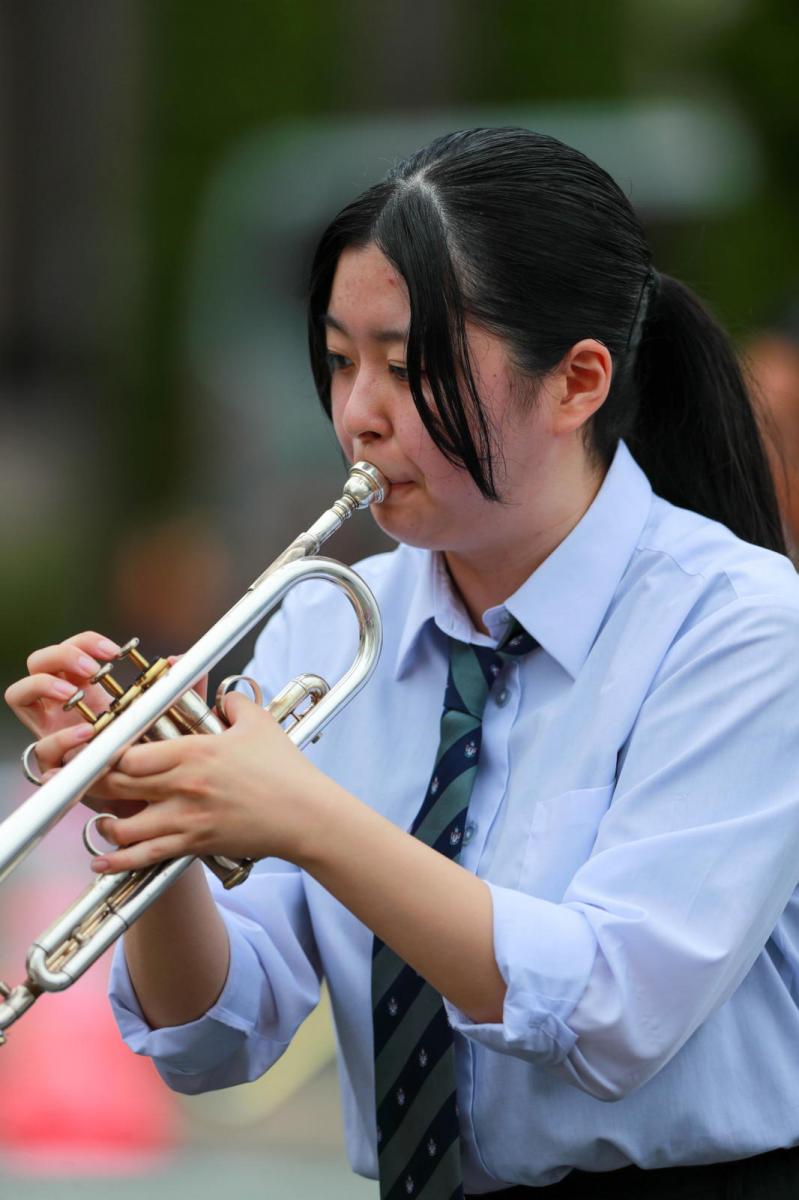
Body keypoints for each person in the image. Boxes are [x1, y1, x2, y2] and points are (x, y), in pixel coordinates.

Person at [7, 127, 799, 1199]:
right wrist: (159, 828)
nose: (356, 417)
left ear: (575, 383)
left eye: (409, 367)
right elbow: (213, 1040)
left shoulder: (740, 623)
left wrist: (306, 819)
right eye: (341, 362)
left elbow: (614, 1011)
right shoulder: (329, 621)